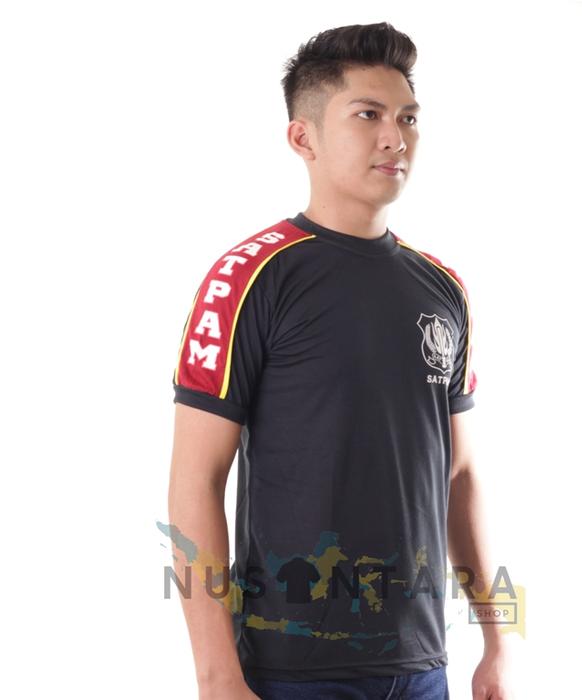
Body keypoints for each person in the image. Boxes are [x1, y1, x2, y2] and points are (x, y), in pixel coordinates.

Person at [168, 21, 513, 700]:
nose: (396, 137)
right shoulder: (249, 278)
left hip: (422, 668)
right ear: (304, 138)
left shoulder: (443, 289)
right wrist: (216, 676)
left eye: (408, 117)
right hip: (291, 670)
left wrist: (498, 640)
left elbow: (462, 474)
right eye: (368, 115)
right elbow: (195, 481)